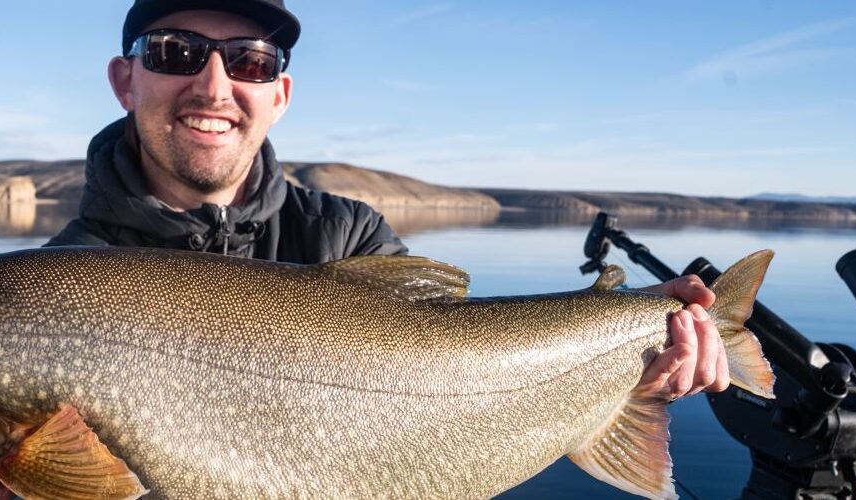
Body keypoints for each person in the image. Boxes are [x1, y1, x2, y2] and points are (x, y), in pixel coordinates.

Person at [48, 0, 727, 410]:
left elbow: (459, 383)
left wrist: (626, 372)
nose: (214, 85)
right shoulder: (50, 286)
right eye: (176, 53)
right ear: (125, 82)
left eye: (250, 61)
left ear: (278, 96)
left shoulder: (348, 234)